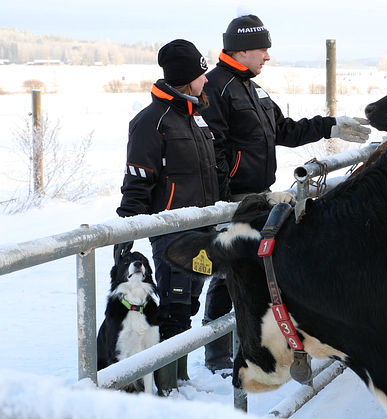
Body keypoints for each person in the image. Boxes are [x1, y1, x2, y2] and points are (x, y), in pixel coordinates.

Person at [199, 11, 371, 374]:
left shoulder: (253, 87)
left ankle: (250, 343)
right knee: (229, 272)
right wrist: (220, 198)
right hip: (231, 197)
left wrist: (331, 126)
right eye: (262, 48)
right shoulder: (218, 87)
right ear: (243, 50)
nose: (267, 56)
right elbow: (211, 147)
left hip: (256, 195)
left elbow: (283, 130)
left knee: (253, 272)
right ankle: (214, 354)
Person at [114, 39, 227, 395]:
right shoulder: (152, 122)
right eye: (201, 75)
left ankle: (178, 379)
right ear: (185, 78)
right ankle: (164, 388)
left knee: (187, 308)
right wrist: (126, 232)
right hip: (172, 236)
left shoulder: (196, 117)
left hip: (202, 232)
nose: (206, 81)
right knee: (173, 311)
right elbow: (138, 182)